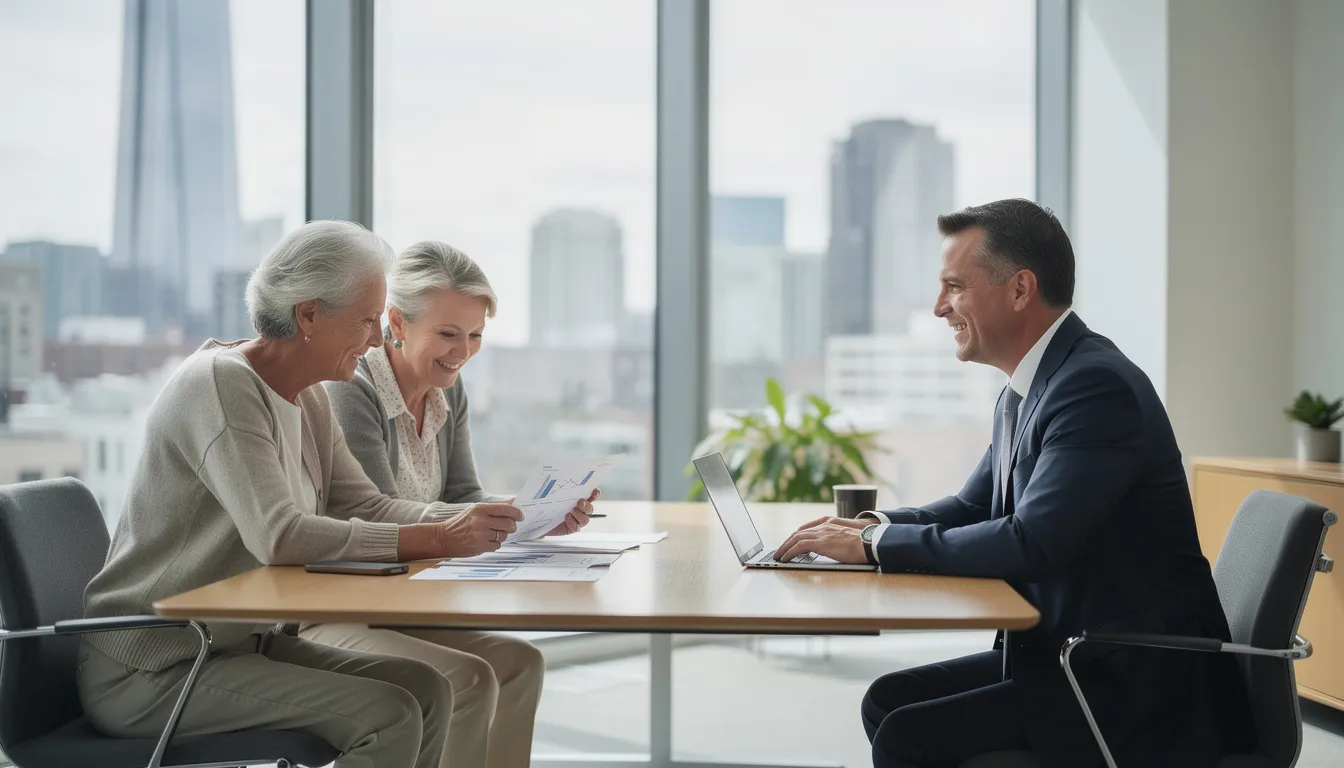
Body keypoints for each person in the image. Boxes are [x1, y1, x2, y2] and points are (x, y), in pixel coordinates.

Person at [775, 199, 1253, 768]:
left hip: (1129, 677)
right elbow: (973, 505)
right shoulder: (1028, 388)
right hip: (1071, 653)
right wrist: (867, 529)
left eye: (954, 286)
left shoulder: (1094, 387)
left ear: (1020, 289)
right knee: (888, 700)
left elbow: (1032, 541)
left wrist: (873, 549)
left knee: (908, 736)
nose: (937, 308)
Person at [79, 221, 525, 768]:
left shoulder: (309, 396)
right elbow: (280, 535)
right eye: (365, 320)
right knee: (390, 713)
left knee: (427, 690)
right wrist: (437, 535)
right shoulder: (221, 383)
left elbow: (370, 507)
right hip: (157, 665)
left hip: (240, 645)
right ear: (308, 315)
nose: (374, 340)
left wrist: (478, 523)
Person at [314, 240, 599, 768]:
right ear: (396, 322)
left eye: (475, 335)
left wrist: (533, 514)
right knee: (468, 679)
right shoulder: (355, 389)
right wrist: (493, 520)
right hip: (346, 605)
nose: (462, 351)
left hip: (410, 603)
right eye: (448, 334)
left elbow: (463, 498)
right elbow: (369, 513)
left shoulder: (450, 389)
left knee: (520, 662)